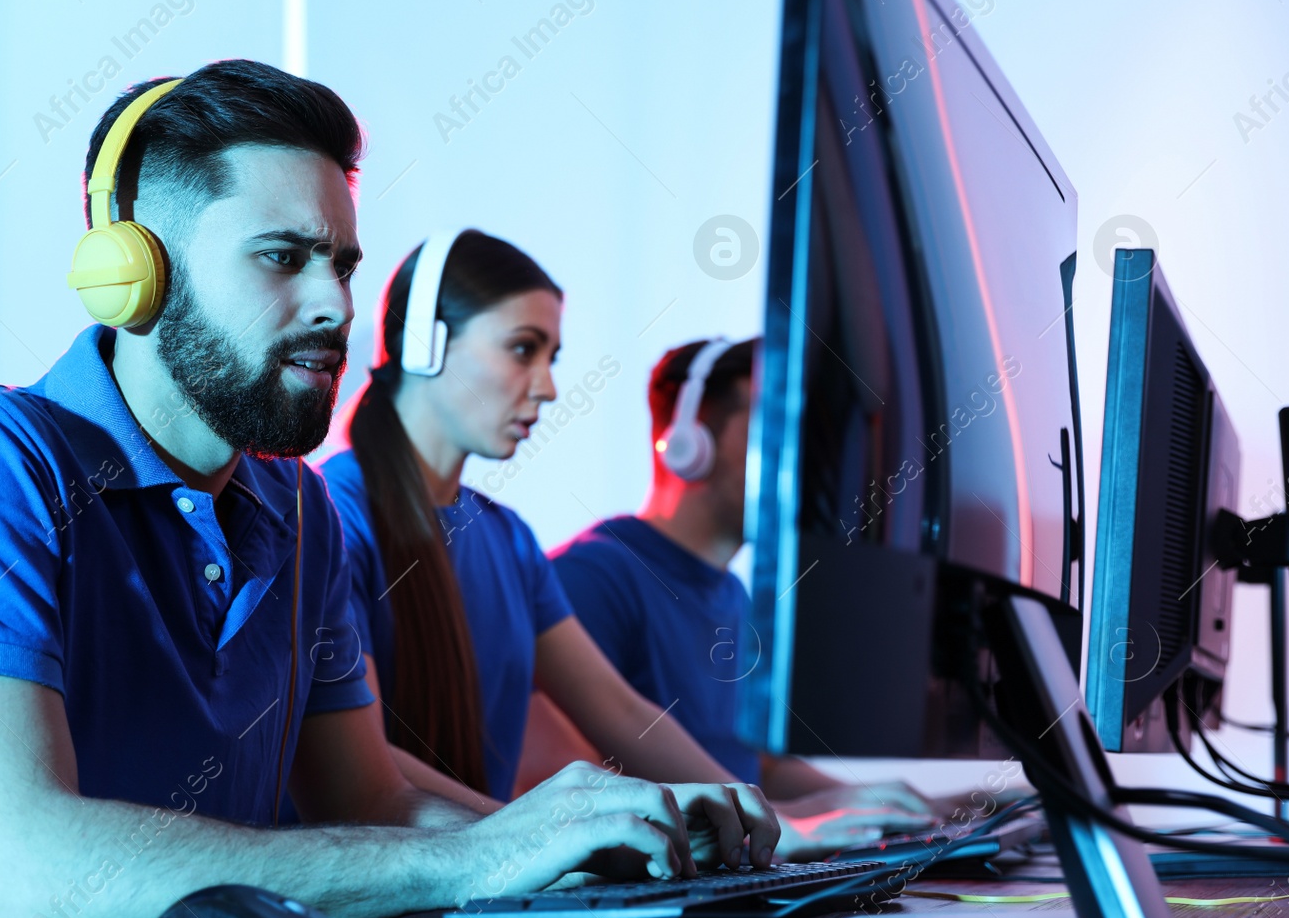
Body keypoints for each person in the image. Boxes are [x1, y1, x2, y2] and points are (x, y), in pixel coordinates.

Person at [0, 62, 778, 918]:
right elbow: (24, 885)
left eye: (343, 265)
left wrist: (592, 838)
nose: (334, 304)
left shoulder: (298, 510)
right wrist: (478, 858)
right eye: (283, 257)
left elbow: (375, 801)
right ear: (132, 269)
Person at [318, 232, 924, 855]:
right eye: (523, 349)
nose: (549, 387)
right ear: (425, 344)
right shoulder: (332, 515)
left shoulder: (508, 539)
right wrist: (527, 838)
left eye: (551, 358)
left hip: (474, 884)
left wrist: (761, 823)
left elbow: (621, 710)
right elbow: (363, 770)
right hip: (402, 893)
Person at [546, 337, 937, 844]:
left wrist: (878, 804)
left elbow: (761, 769)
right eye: (773, 429)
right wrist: (792, 822)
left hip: (734, 854)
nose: (801, 459)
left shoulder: (736, 597)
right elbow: (568, 788)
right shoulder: (591, 577)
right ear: (689, 442)